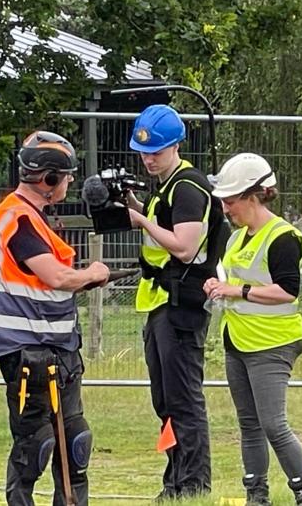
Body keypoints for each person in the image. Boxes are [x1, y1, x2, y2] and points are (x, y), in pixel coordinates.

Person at [0, 130, 110, 506]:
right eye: (66, 176)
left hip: (61, 348)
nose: (69, 182)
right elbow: (57, 276)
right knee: (36, 444)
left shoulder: (36, 218)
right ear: (48, 179)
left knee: (75, 443)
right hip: (28, 353)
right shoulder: (16, 218)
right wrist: (93, 273)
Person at [203, 153, 302, 506]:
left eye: (230, 200)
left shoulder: (283, 237)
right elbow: (234, 281)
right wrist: (217, 285)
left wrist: (236, 291)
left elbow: (287, 289)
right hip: (238, 340)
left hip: (273, 343)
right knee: (249, 425)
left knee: (274, 424)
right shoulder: (237, 238)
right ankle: (256, 495)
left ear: (253, 196)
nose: (226, 208)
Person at [126, 104, 228, 500]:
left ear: (177, 146)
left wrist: (143, 221)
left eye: (157, 151)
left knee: (183, 398)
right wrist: (131, 206)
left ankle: (194, 484)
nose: (149, 158)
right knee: (165, 399)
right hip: (160, 303)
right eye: (144, 151)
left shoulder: (188, 186)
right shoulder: (166, 188)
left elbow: (184, 248)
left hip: (182, 305)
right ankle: (174, 481)